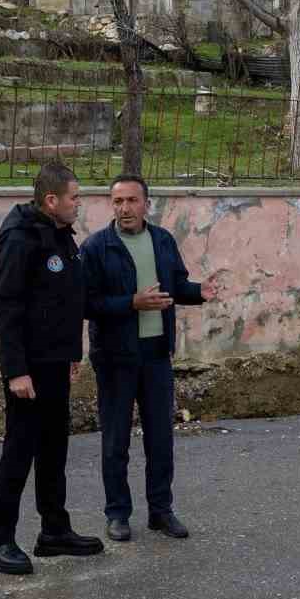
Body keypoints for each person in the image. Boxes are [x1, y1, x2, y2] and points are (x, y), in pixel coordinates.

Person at [0, 162, 105, 575]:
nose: (79, 205)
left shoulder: (60, 235)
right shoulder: (20, 237)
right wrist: (15, 371)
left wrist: (72, 354)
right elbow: (7, 306)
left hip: (55, 365)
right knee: (20, 451)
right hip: (29, 370)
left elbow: (66, 301)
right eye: (75, 198)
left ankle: (54, 531)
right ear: (51, 200)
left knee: (54, 449)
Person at [82, 175, 219, 542]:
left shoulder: (162, 240)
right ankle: (117, 514)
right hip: (114, 356)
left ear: (146, 204)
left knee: (161, 438)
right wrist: (131, 303)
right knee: (116, 440)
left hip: (156, 353)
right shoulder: (97, 247)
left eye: (131, 201)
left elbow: (174, 287)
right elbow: (86, 304)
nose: (124, 208)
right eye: (117, 201)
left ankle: (161, 511)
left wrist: (199, 292)